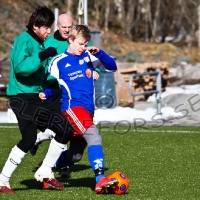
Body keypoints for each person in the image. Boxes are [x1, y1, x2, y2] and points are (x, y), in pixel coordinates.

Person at [0, 6, 74, 194]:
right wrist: (43, 55)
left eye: (50, 27)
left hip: (34, 97)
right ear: (35, 26)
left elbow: (40, 74)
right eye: (46, 28)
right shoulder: (24, 40)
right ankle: (34, 173)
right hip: (21, 99)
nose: (49, 32)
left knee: (42, 135)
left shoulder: (39, 43)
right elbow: (21, 68)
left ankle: (39, 172)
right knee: (54, 131)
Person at [39, 24, 118, 194]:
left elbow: (112, 67)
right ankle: (100, 179)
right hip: (72, 108)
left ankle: (47, 166)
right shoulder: (58, 61)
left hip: (88, 109)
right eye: (81, 44)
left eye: (86, 44)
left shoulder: (89, 56)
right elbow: (49, 81)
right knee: (94, 137)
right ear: (70, 39)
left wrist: (100, 53)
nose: (84, 47)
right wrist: (46, 93)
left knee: (75, 155)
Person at [30, 13, 95, 178]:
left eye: (69, 27)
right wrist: (41, 88)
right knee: (63, 126)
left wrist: (95, 72)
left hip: (71, 92)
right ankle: (55, 163)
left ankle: (55, 160)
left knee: (66, 127)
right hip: (52, 89)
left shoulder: (80, 42)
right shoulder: (48, 42)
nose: (66, 30)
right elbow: (41, 64)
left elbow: (90, 62)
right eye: (63, 27)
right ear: (57, 27)